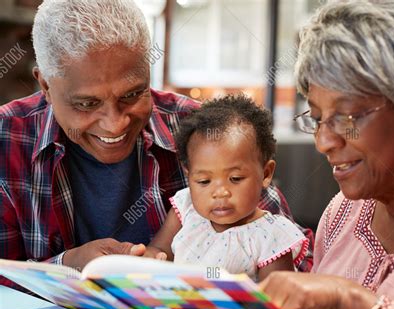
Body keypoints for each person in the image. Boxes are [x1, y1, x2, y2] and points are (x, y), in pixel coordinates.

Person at [0, 0, 314, 285]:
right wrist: (66, 265)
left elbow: (293, 265)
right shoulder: (7, 138)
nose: (116, 123)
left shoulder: (206, 133)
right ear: (45, 85)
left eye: (132, 94)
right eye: (86, 104)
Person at [261, 0, 394, 309]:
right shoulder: (344, 212)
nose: (323, 142)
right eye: (318, 118)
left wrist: (352, 301)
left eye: (348, 118)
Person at [144, 95, 309, 281]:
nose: (220, 192)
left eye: (235, 178)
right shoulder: (186, 209)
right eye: (204, 181)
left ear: (266, 174)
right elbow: (159, 251)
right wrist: (150, 258)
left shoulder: (272, 236)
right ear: (189, 175)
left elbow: (276, 297)